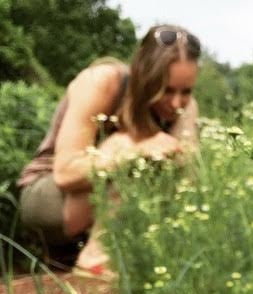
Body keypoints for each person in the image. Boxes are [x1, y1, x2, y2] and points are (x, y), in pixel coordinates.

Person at [17, 24, 201, 273]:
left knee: (165, 161)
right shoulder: (102, 82)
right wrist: (137, 151)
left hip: (104, 208)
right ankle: (95, 258)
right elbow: (65, 174)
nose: (177, 103)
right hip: (49, 198)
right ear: (145, 76)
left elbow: (187, 184)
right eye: (166, 90)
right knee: (125, 146)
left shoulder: (185, 109)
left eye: (186, 92)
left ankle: (111, 255)